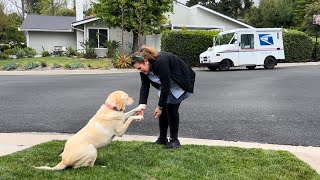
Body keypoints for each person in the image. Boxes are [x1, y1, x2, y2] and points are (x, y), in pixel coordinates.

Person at [131, 46, 196, 149]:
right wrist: (141, 107)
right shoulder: (144, 71)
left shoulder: (160, 62)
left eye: (140, 68)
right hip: (166, 84)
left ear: (146, 61)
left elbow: (166, 85)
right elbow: (144, 87)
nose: (140, 71)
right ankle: (162, 138)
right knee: (163, 109)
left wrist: (160, 106)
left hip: (180, 81)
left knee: (170, 107)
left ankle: (174, 140)